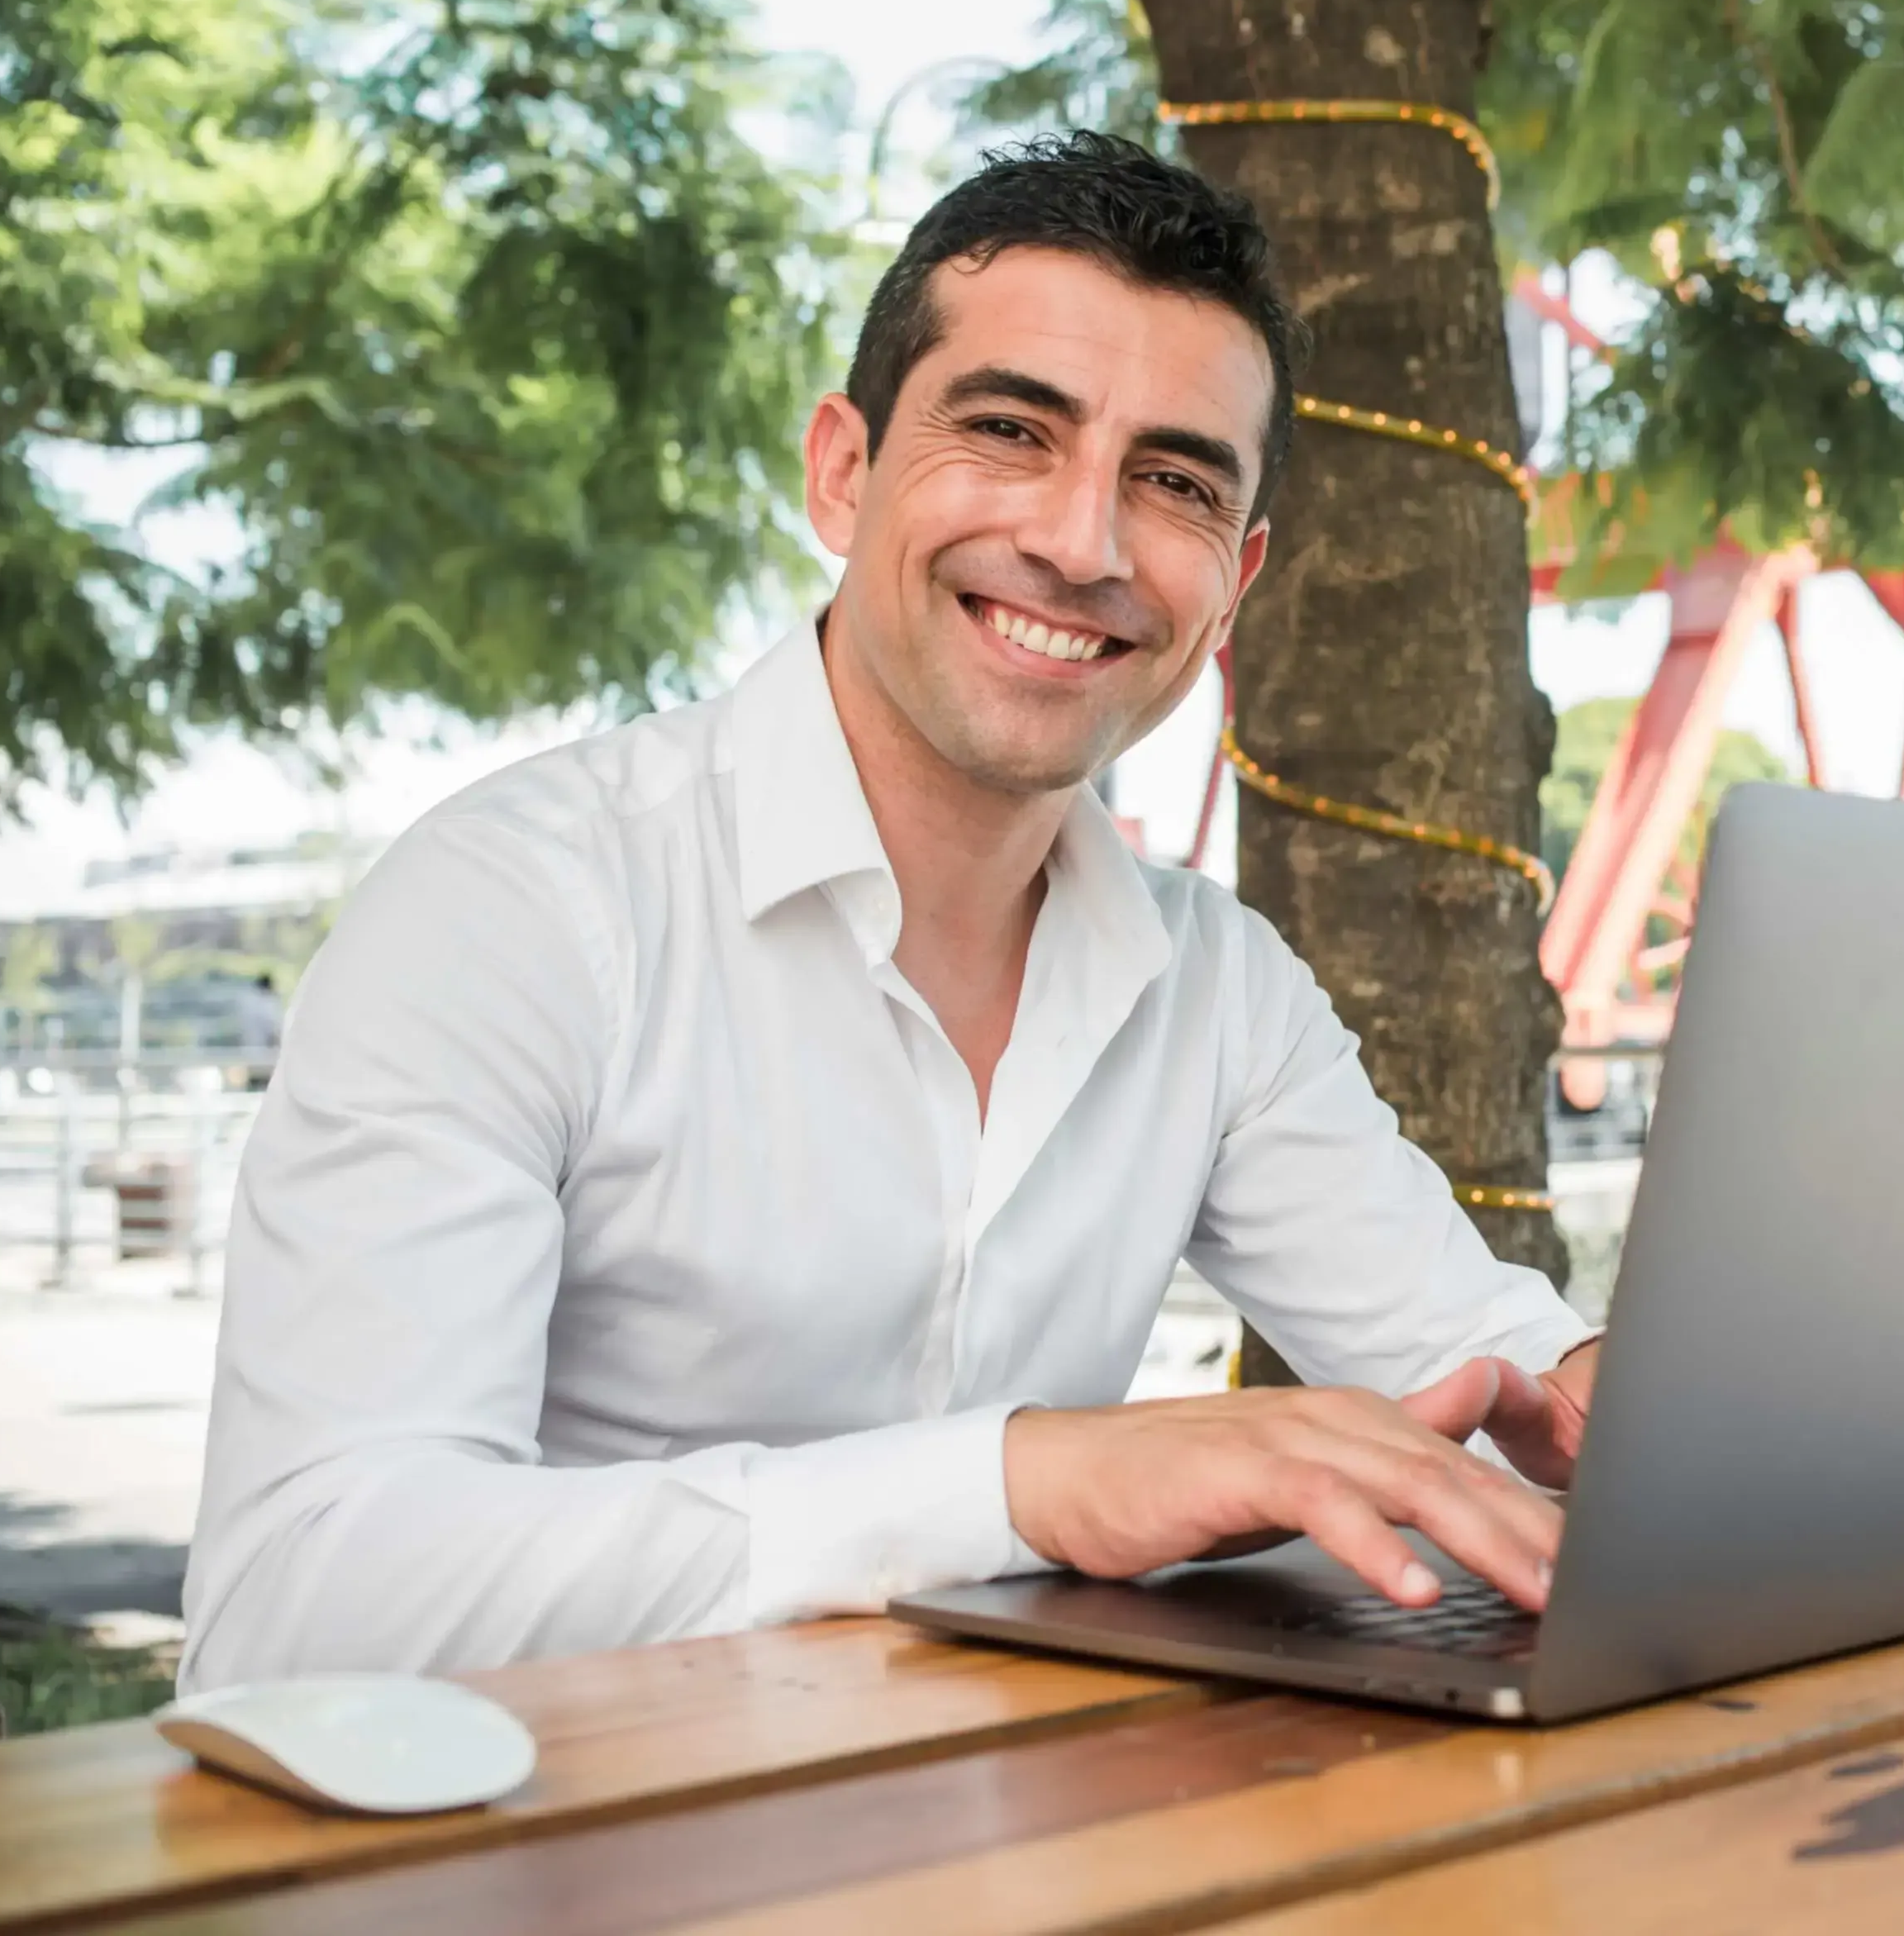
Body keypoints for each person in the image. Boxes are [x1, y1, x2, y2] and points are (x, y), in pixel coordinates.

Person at [182, 134, 1598, 1690]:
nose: (1084, 543)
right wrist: (1022, 1482)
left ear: (1236, 576)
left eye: (1176, 481)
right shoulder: (515, 909)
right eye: (1009, 430)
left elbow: (1483, 1357)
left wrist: (1625, 1406)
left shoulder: (1216, 987)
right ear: (841, 472)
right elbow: (304, 1597)